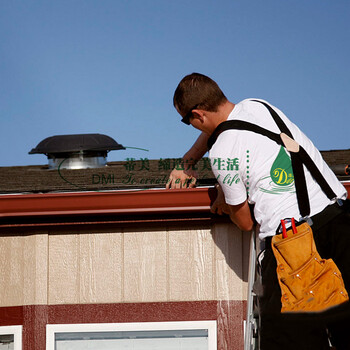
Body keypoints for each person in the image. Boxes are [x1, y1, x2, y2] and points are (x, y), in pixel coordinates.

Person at [167, 72, 350, 349]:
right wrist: (189, 159)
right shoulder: (259, 106)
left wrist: (223, 198)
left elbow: (243, 221)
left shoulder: (222, 155)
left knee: (289, 341)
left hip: (294, 247)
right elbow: (225, 128)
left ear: (197, 115)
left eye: (186, 120)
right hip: (339, 220)